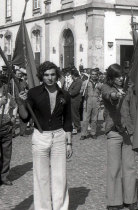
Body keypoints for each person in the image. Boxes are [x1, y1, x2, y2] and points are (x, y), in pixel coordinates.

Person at [18, 61, 73, 209]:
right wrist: (21, 102)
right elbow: (24, 117)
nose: (50, 78)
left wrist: (69, 143)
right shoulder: (34, 93)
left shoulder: (65, 95)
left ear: (57, 75)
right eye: (46, 75)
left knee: (60, 176)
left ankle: (60, 207)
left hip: (59, 136)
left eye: (53, 74)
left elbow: (68, 121)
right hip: (40, 137)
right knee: (41, 176)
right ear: (42, 76)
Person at [101, 64, 138, 210]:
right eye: (117, 76)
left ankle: (131, 199)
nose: (121, 78)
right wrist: (116, 95)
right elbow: (109, 96)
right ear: (111, 77)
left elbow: (133, 108)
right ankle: (114, 201)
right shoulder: (106, 87)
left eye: (122, 75)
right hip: (114, 132)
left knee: (130, 167)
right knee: (114, 168)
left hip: (128, 132)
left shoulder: (129, 89)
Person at [0, 75, 16, 186]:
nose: (4, 86)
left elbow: (14, 106)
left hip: (6, 127)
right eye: (2, 84)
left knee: (7, 153)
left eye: (6, 84)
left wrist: (13, 117)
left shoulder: (9, 96)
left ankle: (4, 176)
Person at [80, 68, 102, 140]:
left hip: (96, 101)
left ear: (97, 75)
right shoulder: (85, 82)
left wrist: (100, 98)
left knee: (94, 119)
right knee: (85, 119)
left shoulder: (100, 84)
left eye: (95, 74)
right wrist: (83, 92)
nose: (94, 76)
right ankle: (84, 134)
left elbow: (102, 93)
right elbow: (81, 92)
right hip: (87, 101)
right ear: (90, 75)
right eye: (92, 74)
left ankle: (93, 133)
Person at [68, 70, 83, 134]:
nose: (71, 76)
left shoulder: (79, 81)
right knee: (73, 114)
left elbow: (75, 92)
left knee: (75, 114)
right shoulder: (75, 81)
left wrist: (68, 93)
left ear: (74, 75)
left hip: (75, 100)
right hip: (72, 100)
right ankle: (75, 127)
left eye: (71, 75)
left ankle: (77, 127)